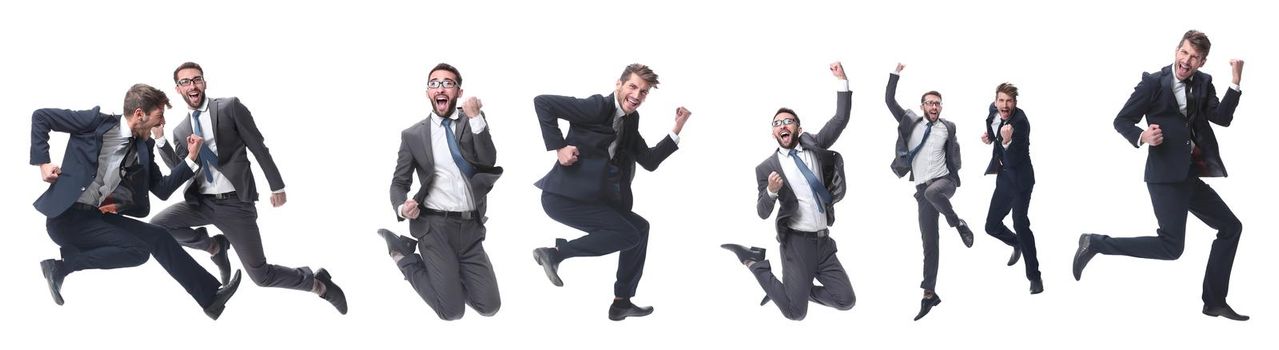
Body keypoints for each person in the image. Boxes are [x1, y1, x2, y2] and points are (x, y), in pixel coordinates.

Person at [1073, 30, 1248, 321]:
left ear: (1202, 62)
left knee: (1231, 227)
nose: (1187, 60)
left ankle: (1214, 301)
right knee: (1171, 247)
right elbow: (1121, 120)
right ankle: (1095, 243)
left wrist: (1236, 82)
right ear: (1177, 50)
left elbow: (1222, 118)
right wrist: (1142, 135)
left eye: (1194, 57)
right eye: (1184, 52)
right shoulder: (1153, 83)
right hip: (1165, 178)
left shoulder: (1204, 82)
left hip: (1190, 175)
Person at [32, 83, 241, 320]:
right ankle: (62, 267)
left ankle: (211, 299)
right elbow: (41, 117)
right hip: (65, 219)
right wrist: (44, 164)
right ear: (139, 114)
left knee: (159, 236)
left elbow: (161, 189)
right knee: (138, 252)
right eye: (159, 116)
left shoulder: (143, 147)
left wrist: (192, 159)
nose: (161, 124)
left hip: (93, 217)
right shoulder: (95, 123)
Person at [152, 62, 346, 314]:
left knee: (261, 276)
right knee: (158, 226)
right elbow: (180, 169)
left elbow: (257, 146)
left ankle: (319, 284)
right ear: (178, 89)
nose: (192, 85)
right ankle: (213, 246)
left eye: (196, 79)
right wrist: (159, 138)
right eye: (185, 82)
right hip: (200, 202)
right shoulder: (180, 130)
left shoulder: (230, 107)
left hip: (234, 204)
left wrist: (276, 186)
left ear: (204, 82)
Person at [529, 63, 691, 321]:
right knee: (627, 234)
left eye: (644, 92)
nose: (637, 95)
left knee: (640, 229)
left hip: (593, 199)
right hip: (562, 198)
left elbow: (648, 161)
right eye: (633, 87)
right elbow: (543, 102)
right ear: (619, 84)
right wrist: (559, 147)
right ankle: (555, 254)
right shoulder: (596, 107)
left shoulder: (630, 120)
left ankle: (622, 302)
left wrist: (677, 127)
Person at [721, 62, 855, 320]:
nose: (783, 125)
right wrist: (771, 191)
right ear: (773, 132)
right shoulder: (766, 168)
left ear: (798, 128)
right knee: (795, 313)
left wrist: (842, 81)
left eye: (789, 121)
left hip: (824, 243)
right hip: (796, 244)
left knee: (846, 300)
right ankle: (755, 263)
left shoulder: (815, 145)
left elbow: (841, 119)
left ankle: (784, 291)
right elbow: (762, 212)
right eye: (778, 123)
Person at [379, 63, 502, 320]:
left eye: (448, 83)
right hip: (434, 228)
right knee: (451, 312)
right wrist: (402, 207)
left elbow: (488, 160)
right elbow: (398, 183)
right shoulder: (413, 135)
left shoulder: (472, 121)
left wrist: (476, 117)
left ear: (458, 91)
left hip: (470, 229)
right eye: (434, 83)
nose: (440, 88)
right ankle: (403, 256)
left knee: (489, 307)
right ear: (427, 93)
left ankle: (448, 277)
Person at [884, 63, 973, 321]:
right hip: (922, 189)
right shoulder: (910, 122)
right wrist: (895, 73)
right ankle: (929, 295)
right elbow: (889, 100)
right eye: (930, 103)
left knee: (933, 193)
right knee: (929, 243)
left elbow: (954, 153)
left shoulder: (949, 127)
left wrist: (956, 173)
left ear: (941, 107)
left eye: (938, 103)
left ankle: (959, 224)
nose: (934, 107)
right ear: (922, 105)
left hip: (944, 183)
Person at [979, 82, 1042, 294]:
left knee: (1020, 224)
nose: (1004, 105)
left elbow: (1014, 160)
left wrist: (1006, 141)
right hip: (1004, 179)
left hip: (1021, 180)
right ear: (995, 101)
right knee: (991, 226)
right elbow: (992, 124)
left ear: (1015, 103)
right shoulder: (992, 110)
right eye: (1001, 101)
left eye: (1009, 101)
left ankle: (1035, 277)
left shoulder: (1021, 123)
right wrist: (991, 139)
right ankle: (1016, 244)